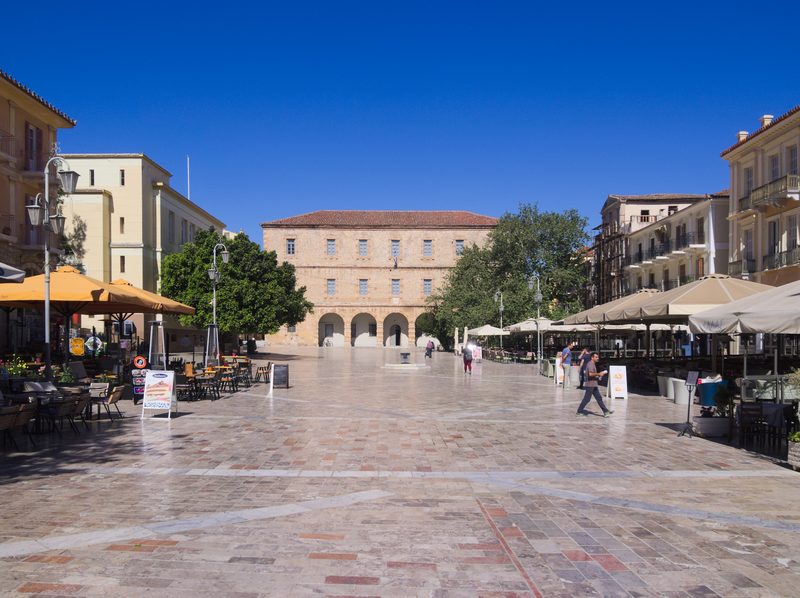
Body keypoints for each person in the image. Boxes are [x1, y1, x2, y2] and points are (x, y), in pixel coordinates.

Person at [576, 352, 614, 417]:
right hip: (590, 385)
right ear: (592, 357)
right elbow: (590, 374)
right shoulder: (590, 364)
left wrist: (598, 377)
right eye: (596, 357)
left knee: (599, 398)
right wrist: (599, 374)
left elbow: (592, 374)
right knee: (587, 399)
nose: (597, 358)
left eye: (598, 357)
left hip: (594, 384)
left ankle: (606, 411)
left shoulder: (593, 364)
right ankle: (579, 411)